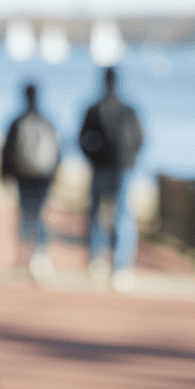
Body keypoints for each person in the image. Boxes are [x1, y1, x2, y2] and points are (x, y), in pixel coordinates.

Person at [78, 66, 144, 292]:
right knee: (123, 216)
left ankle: (100, 261)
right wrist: (129, 160)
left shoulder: (96, 109)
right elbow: (140, 139)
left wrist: (94, 158)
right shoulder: (127, 110)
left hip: (108, 169)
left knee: (100, 213)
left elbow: (82, 139)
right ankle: (120, 267)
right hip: (121, 169)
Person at [0, 82, 61, 282]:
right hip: (43, 176)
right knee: (41, 213)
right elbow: (57, 152)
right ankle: (41, 255)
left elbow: (7, 151)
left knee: (26, 214)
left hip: (24, 175)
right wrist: (54, 175)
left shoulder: (18, 121)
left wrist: (4, 174)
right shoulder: (47, 120)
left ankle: (25, 255)